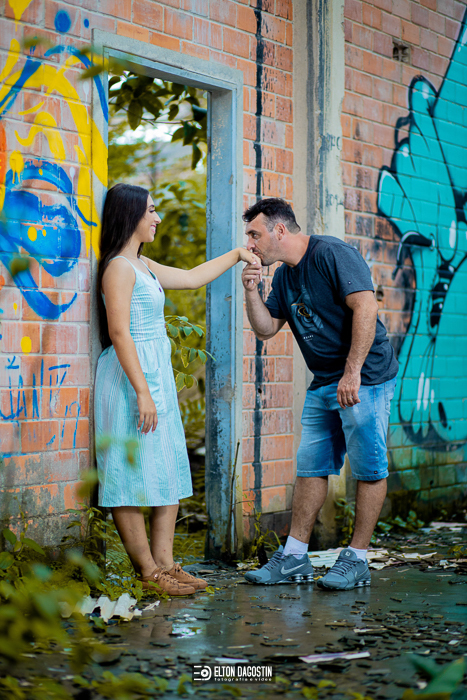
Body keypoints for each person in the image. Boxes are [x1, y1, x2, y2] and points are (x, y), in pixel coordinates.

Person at [94, 183, 260, 597]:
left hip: (155, 375)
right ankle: (148, 572)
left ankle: (167, 565)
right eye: (151, 210)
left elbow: (190, 278)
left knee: (167, 465)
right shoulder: (118, 268)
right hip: (130, 379)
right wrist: (142, 391)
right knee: (128, 474)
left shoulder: (142, 264)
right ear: (130, 214)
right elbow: (119, 332)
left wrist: (237, 255)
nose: (157, 217)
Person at [241, 198, 398, 590]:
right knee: (311, 465)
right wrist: (251, 290)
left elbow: (366, 308)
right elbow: (266, 328)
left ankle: (357, 558)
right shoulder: (284, 277)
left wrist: (352, 372)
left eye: (255, 234)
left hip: (365, 376)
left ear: (279, 230)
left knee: (369, 466)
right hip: (325, 379)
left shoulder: (332, 254)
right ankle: (294, 557)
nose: (250, 243)